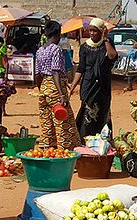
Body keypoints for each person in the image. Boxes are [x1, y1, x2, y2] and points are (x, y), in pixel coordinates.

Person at [35, 20, 81, 150]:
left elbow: (37, 74)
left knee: (47, 121)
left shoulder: (40, 50)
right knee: (63, 122)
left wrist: (42, 89)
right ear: (58, 33)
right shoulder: (56, 49)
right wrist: (61, 94)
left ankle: (48, 150)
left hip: (44, 87)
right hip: (55, 87)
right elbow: (55, 71)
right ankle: (64, 152)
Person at [70, 18, 117, 139]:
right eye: (90, 31)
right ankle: (85, 138)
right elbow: (81, 69)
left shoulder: (107, 43)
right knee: (87, 112)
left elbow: (112, 57)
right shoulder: (84, 47)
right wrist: (72, 88)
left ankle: (103, 139)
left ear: (101, 31)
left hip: (103, 86)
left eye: (95, 31)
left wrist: (106, 39)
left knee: (102, 111)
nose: (92, 33)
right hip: (88, 85)